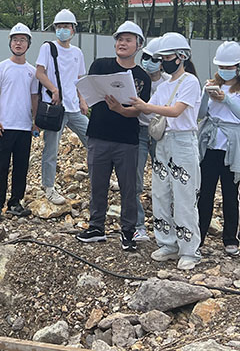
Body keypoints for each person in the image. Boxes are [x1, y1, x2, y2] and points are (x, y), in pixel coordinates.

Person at [75, 21, 150, 252]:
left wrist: (120, 109)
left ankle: (128, 231)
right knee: (97, 184)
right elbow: (86, 89)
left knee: (129, 188)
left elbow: (139, 110)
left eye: (128, 40)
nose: (122, 43)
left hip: (127, 140)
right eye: (119, 39)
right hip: (98, 134)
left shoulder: (142, 77)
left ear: (138, 45)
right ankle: (96, 227)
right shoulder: (100, 65)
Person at [131, 32, 202, 270]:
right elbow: (149, 110)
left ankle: (189, 250)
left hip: (182, 141)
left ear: (182, 57)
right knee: (161, 194)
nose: (163, 62)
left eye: (167, 57)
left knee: (184, 196)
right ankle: (167, 243)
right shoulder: (165, 85)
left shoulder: (190, 82)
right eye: (162, 58)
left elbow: (175, 110)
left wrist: (145, 106)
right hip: (162, 142)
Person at [197, 41, 240, 256]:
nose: (224, 70)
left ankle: (231, 238)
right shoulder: (213, 85)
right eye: (221, 66)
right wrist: (206, 94)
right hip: (211, 145)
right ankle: (198, 236)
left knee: (231, 194)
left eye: (229, 66)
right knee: (205, 193)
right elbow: (200, 114)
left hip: (232, 147)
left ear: (239, 66)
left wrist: (227, 100)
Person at [0, 23, 40, 222]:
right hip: (4, 126)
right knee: (0, 166)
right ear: (10, 43)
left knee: (21, 168)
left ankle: (15, 202)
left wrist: (35, 121)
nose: (19, 43)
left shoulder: (32, 71)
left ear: (28, 44)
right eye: (15, 40)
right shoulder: (0, 68)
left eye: (23, 40)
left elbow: (34, 97)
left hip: (24, 127)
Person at [35, 9, 89, 205]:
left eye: (66, 26)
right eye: (59, 27)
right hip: (55, 107)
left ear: (73, 29)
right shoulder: (47, 48)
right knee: (51, 149)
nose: (62, 30)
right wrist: (53, 89)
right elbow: (39, 73)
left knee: (93, 139)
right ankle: (49, 187)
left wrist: (82, 100)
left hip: (73, 107)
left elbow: (79, 79)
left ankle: (102, 177)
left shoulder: (77, 52)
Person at [134, 37, 170, 242]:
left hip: (161, 133)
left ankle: (165, 226)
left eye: (155, 59)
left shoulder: (168, 82)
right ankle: (138, 225)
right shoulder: (136, 78)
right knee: (135, 180)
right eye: (146, 57)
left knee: (164, 180)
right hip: (139, 132)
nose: (149, 62)